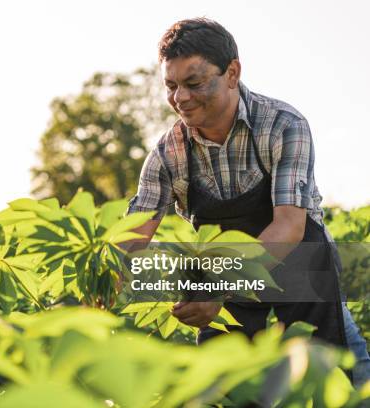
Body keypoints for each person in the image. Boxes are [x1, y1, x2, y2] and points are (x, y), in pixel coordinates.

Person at [125, 17, 370, 388]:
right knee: (221, 394)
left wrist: (216, 290)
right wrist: (84, 295)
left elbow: (288, 227)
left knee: (348, 388)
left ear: (232, 73)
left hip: (304, 288)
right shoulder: (168, 154)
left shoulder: (283, 126)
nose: (181, 98)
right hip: (231, 308)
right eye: (171, 86)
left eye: (193, 83)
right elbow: (130, 239)